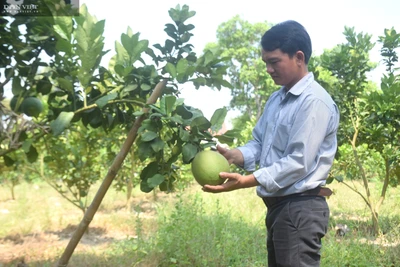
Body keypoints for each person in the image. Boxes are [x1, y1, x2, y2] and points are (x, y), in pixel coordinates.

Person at [203, 20, 340, 267]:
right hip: (280, 207)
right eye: (265, 62)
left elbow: (298, 162)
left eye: (274, 61)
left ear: (299, 57)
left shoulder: (314, 102)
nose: (268, 69)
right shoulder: (277, 100)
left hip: (300, 208)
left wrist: (248, 181)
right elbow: (259, 143)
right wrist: (235, 155)